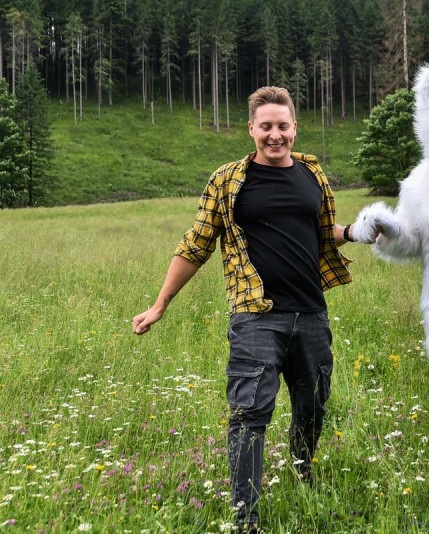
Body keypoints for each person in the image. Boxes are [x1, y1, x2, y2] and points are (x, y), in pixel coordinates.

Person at [132, 86, 364, 530]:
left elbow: (322, 230)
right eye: (266, 127)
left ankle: (303, 477)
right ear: (252, 129)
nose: (275, 135)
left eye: (283, 126)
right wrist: (160, 304)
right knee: (249, 415)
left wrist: (355, 231)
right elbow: (195, 245)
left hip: (311, 313)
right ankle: (246, 518)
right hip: (256, 316)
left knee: (313, 407)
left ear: (295, 127)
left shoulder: (312, 174)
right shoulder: (227, 181)